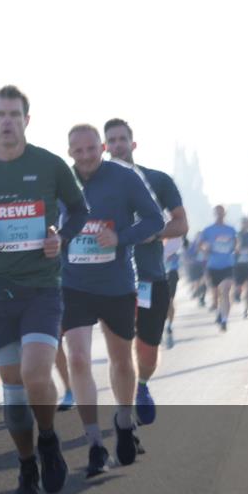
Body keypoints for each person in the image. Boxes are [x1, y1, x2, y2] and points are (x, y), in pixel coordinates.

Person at [0, 85, 89, 494]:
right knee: (13, 390)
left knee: (36, 374)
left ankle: (48, 439)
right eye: (1, 115)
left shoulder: (49, 165)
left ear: (27, 120)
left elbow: (79, 210)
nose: (7, 121)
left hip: (41, 288)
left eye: (15, 114)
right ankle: (27, 465)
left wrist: (61, 238)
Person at [60, 125, 164, 476]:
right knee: (77, 359)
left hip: (117, 284)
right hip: (73, 285)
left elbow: (154, 219)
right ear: (70, 152)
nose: (86, 156)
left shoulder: (124, 177)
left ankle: (122, 419)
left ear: (102, 147)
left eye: (92, 149)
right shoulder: (59, 181)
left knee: (122, 360)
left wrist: (120, 238)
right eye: (79, 151)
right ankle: (93, 444)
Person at [103, 119, 188, 426]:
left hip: (151, 277)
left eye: (122, 139)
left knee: (147, 350)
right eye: (111, 140)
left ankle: (142, 386)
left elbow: (181, 224)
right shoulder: (92, 185)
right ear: (104, 147)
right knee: (121, 353)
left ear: (133, 144)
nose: (117, 145)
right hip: (112, 281)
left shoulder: (158, 181)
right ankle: (124, 415)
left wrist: (154, 233)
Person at [198, 206, 238, 331]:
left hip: (227, 265)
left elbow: (236, 243)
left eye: (222, 212)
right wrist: (205, 249)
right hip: (213, 266)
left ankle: (224, 320)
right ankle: (219, 312)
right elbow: (199, 244)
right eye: (217, 212)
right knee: (215, 298)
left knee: (225, 291)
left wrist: (235, 249)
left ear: (225, 214)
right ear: (214, 213)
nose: (220, 215)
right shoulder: (208, 230)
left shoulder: (231, 229)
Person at [163, 236, 186, 348]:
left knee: (170, 301)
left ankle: (169, 325)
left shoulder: (176, 237)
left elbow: (181, 248)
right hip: (152, 273)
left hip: (171, 273)